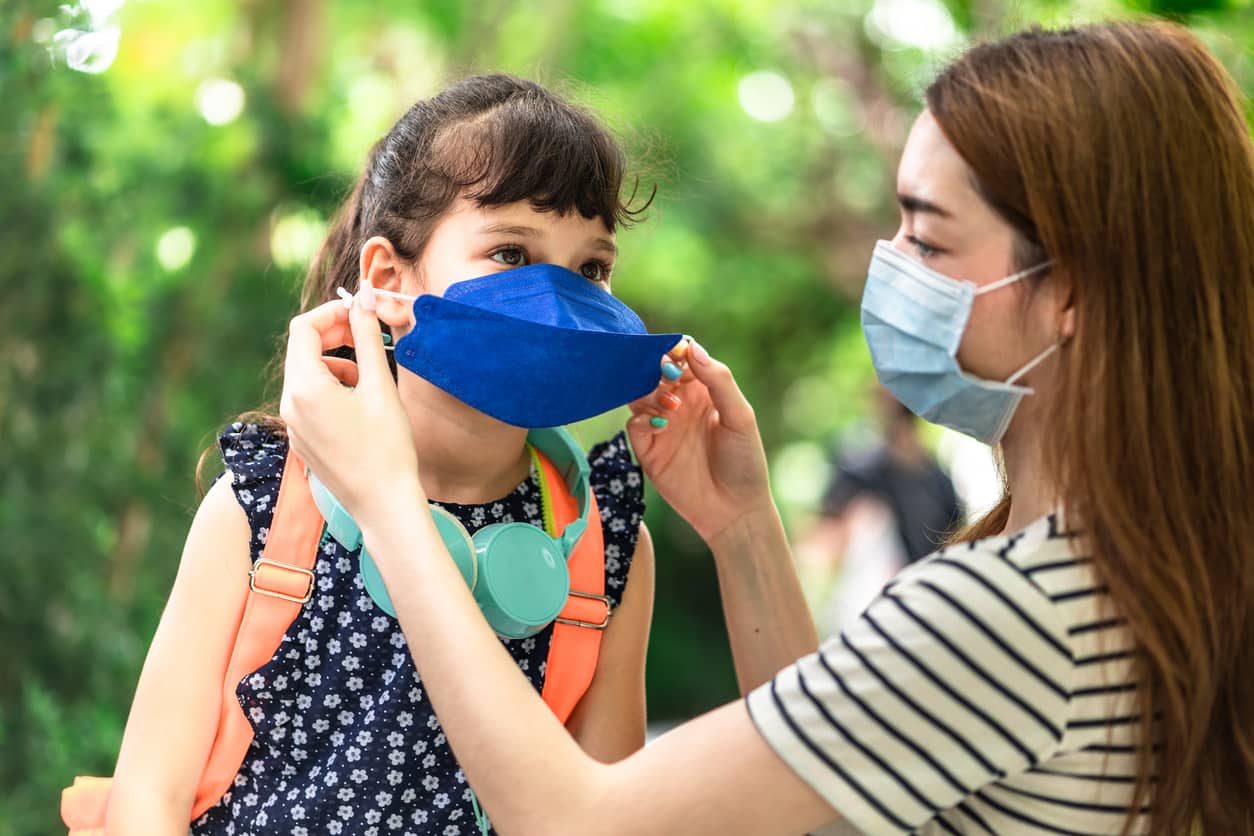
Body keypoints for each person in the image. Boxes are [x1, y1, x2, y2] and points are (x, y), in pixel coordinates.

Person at [281, 20, 1254, 835]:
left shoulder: (1016, 606)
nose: (890, 260)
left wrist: (388, 498)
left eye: (925, 232)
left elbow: (577, 819)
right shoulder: (1126, 574)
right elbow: (826, 789)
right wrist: (743, 524)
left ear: (1069, 290)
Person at [102, 75, 662, 836]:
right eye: (510, 252)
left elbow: (609, 821)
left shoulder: (605, 548)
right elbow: (147, 801)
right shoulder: (267, 506)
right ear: (387, 279)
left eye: (591, 268)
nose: (558, 302)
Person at [800, 385, 963, 634]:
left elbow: (955, 543)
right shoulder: (860, 472)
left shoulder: (938, 479)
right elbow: (821, 540)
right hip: (873, 615)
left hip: (926, 611)